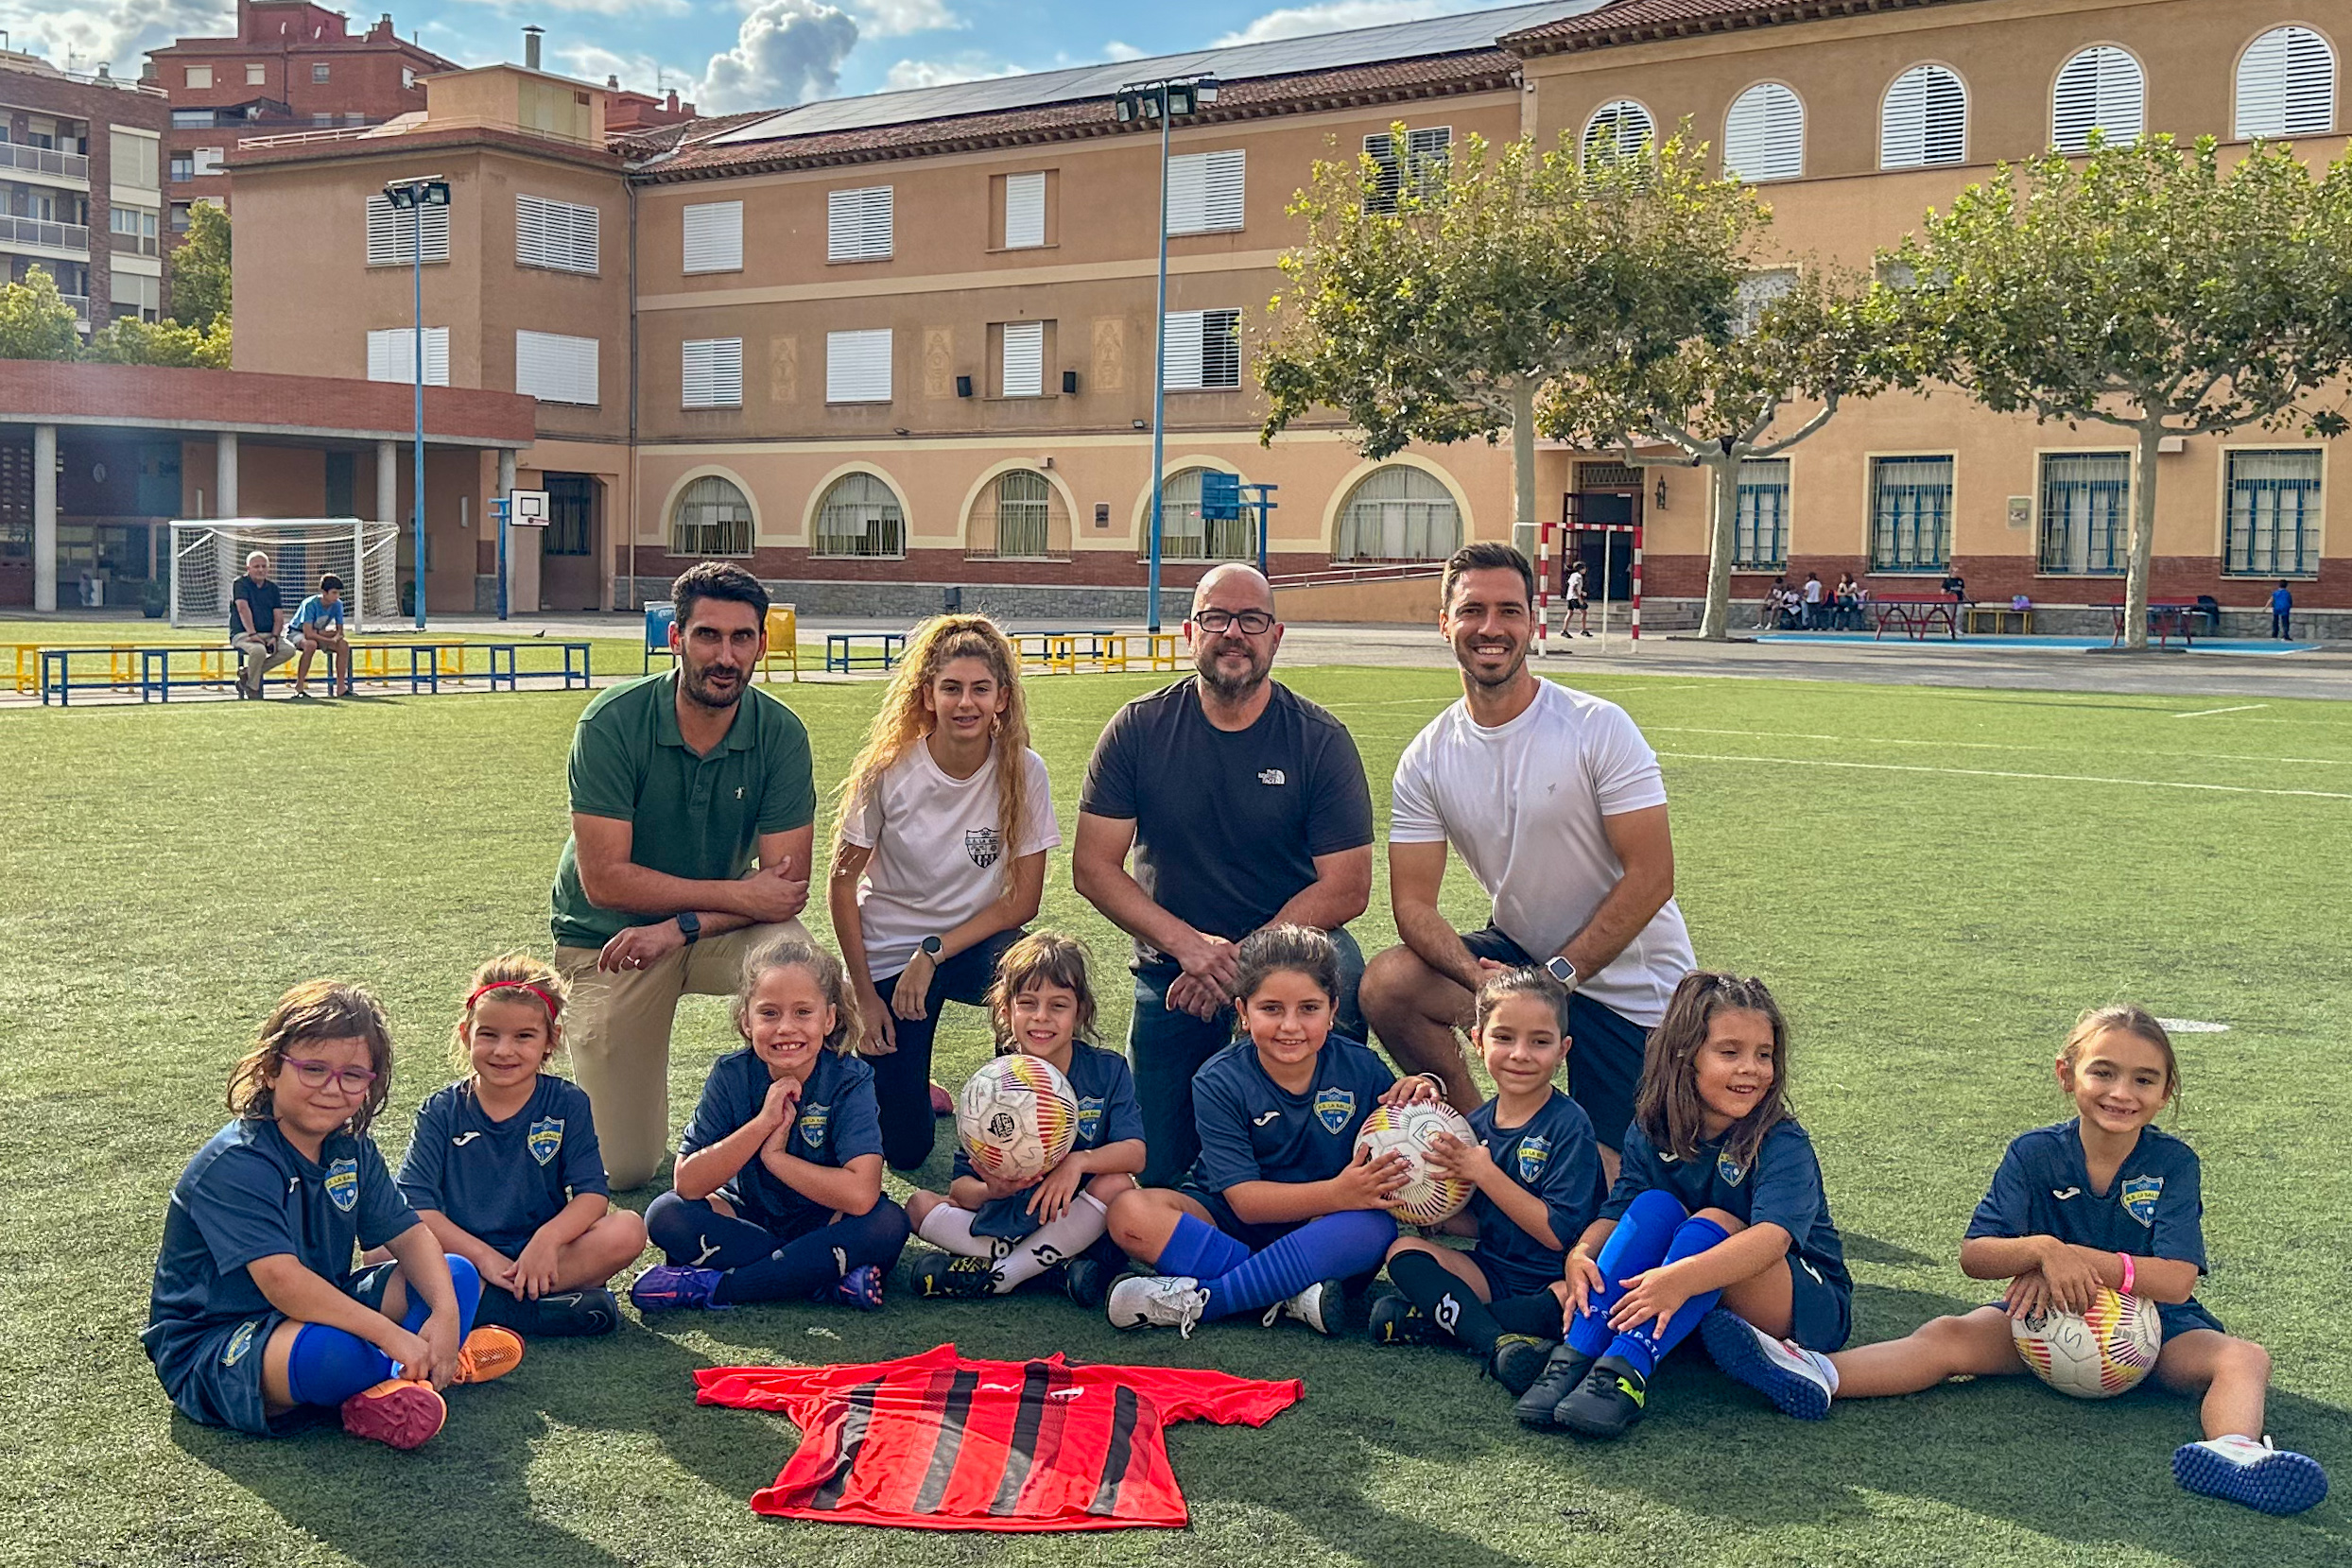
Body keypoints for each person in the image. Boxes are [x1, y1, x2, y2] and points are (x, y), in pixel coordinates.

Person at [1711, 1006, 2328, 1516]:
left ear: (2167, 1091)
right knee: (1950, 1335)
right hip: (2042, 1325)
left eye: (2144, 1079)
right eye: (2104, 1071)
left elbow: (2176, 1278)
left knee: (2243, 1356)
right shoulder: (2034, 1154)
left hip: (2156, 1332)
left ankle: (2234, 1450)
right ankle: (1821, 1373)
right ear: (2067, 1073)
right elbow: (1975, 1254)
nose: (2122, 1091)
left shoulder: (2173, 1164)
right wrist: (2039, 1251)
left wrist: (2073, 1257)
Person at [1360, 542, 1694, 1168]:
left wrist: (1557, 978)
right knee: (1389, 983)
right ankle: (1479, 1143)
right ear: (1445, 623)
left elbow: (1653, 877)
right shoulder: (1428, 755)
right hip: (1524, 961)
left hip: (1632, 988)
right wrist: (1479, 981)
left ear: (1530, 622)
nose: (1491, 628)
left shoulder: (1598, 726)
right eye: (1473, 611)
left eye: (1509, 611)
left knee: (1622, 1184)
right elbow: (1411, 903)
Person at [1073, 563, 1375, 1186]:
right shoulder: (1139, 728)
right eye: (1216, 618)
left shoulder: (1319, 739)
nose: (1233, 632)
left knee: (1338, 967)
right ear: (1190, 631)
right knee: (1156, 1173)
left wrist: (1243, 958)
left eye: (1251, 620)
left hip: (1283, 955)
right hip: (1173, 973)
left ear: (1276, 635)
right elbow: (1093, 866)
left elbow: (1348, 885)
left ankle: (1316, 1164)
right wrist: (1189, 946)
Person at [144, 981, 523, 1451]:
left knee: (454, 1274)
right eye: (314, 1069)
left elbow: (410, 1236)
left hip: (319, 1307)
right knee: (337, 1354)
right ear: (270, 1069)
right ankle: (416, 1370)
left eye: (352, 1075)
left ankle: (405, 1378)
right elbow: (283, 1283)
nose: (331, 1088)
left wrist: (444, 1315)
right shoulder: (237, 1163)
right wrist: (390, 1336)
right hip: (219, 1339)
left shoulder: (349, 1148)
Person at [549, 561, 818, 1191]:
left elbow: (784, 890)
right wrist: (734, 895)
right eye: (708, 636)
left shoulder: (779, 732)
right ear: (675, 638)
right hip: (608, 941)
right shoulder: (612, 723)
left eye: (741, 638)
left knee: (799, 961)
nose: (725, 656)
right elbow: (606, 882)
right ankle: (578, 1064)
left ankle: (806, 1132)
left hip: (709, 933)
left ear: (760, 642)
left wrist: (682, 925)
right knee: (624, 1167)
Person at [1515, 973, 1850, 1440]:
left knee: (1712, 1221)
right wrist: (1581, 1254)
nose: (1751, 1069)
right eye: (1730, 1052)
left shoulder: (1781, 1140)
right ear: (1684, 1055)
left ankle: (1624, 1373)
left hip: (1801, 1300)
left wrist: (1679, 1279)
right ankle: (1575, 1356)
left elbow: (1772, 1241)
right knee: (1653, 1206)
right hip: (1688, 1280)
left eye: (1764, 1055)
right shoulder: (1652, 1126)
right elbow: (1621, 1207)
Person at [1101, 925, 1438, 1337]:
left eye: (1309, 1008)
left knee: (1375, 1229)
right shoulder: (1219, 1079)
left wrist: (1423, 1093)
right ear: (1243, 1013)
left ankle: (1211, 1300)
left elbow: (1406, 1140)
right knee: (1129, 1212)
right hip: (1232, 1223)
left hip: (1322, 1230)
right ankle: (1293, 1296)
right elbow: (1245, 1203)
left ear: (1333, 1010)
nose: (1290, 1026)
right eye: (1272, 1009)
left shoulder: (1361, 1068)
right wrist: (1339, 1192)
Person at [828, 615, 1058, 1173]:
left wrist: (931, 953)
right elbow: (839, 884)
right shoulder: (888, 770)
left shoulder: (1024, 771)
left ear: (1002, 697)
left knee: (1031, 974)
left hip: (967, 948)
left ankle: (1025, 1098)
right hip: (888, 956)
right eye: (951, 688)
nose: (966, 703)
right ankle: (911, 1083)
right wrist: (864, 994)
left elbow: (1021, 904)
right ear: (927, 694)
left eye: (981, 689)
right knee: (905, 1151)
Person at [632, 934, 909, 1312]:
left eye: (802, 1012)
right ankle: (820, 1277)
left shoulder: (850, 1078)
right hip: (748, 1218)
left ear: (829, 1018)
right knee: (666, 1216)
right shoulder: (732, 1075)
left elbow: (861, 1195)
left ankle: (721, 1287)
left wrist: (776, 1159)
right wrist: (763, 1124)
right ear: (746, 1020)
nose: (785, 1028)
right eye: (769, 1013)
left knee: (888, 1223)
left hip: (825, 1221)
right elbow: (689, 1183)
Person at [1371, 967, 1605, 1397]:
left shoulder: (1569, 1124)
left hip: (1553, 1277)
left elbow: (1558, 1233)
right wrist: (1431, 1211)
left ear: (1563, 1050)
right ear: (1477, 1042)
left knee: (1567, 1304)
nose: (1520, 1054)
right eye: (1504, 1038)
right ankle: (1494, 1338)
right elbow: (1486, 1221)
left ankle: (1457, 1329)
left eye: (1539, 1041)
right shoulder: (1472, 1127)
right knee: (1403, 1250)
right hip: (1493, 1270)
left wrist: (1484, 1172)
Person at [387, 954, 647, 1338]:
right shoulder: (441, 1110)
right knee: (380, 1252)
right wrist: (484, 1258)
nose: (504, 1051)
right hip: (460, 1256)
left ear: (550, 1041)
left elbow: (592, 1196)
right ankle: (529, 1313)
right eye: (489, 1034)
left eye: (523, 1036)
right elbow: (417, 1207)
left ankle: (474, 1308)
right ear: (466, 1035)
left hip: (541, 1257)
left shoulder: (566, 1103)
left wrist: (547, 1240)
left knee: (628, 1229)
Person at [904, 931, 1145, 1305]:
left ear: (1080, 1011)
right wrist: (995, 1190)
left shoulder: (1107, 1071)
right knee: (918, 1205)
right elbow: (960, 1190)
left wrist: (1078, 1162)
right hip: (1008, 1219)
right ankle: (1049, 1270)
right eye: (1028, 1003)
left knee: (1116, 1185)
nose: (1041, 1018)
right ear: (1006, 1011)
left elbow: (1135, 1155)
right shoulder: (992, 1089)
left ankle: (1001, 1274)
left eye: (1058, 1006)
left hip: (1074, 1218)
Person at [230, 551, 294, 699]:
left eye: (264, 566)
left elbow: (278, 616)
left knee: (289, 650)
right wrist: (253, 634)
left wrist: (275, 636)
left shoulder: (273, 588)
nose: (260, 570)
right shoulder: (239, 584)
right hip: (243, 633)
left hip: (268, 634)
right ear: (248, 568)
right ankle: (253, 688)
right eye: (256, 566)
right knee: (258, 651)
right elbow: (242, 609)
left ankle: (247, 674)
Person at [286, 573, 355, 698]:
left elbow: (340, 631)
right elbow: (308, 633)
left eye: (338, 593)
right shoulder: (310, 604)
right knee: (311, 644)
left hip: (317, 632)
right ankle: (299, 687)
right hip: (296, 632)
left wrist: (334, 637)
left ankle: (341, 687)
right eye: (334, 593)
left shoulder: (338, 604)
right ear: (324, 592)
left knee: (343, 645)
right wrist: (328, 637)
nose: (337, 596)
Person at [1564, 564, 1590, 636]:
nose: (1585, 570)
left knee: (1570, 613)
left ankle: (1564, 630)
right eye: (1584, 569)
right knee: (1584, 612)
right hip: (1574, 597)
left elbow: (1573, 586)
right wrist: (1580, 598)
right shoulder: (1578, 576)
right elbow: (1574, 588)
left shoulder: (1573, 575)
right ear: (1581, 569)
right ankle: (1584, 630)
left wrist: (1581, 592)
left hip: (1570, 596)